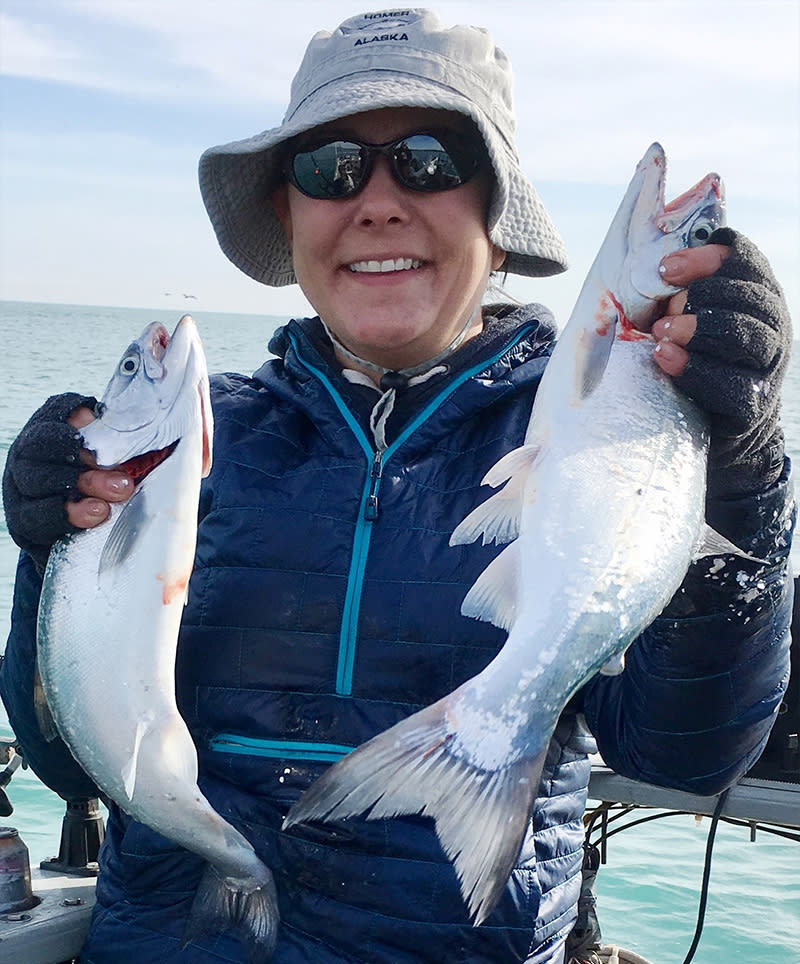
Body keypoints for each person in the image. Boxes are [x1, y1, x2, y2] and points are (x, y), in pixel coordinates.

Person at [0, 9, 794, 964]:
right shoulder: (186, 445)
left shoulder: (601, 445)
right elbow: (65, 756)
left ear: (499, 222)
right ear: (288, 218)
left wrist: (736, 465)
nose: (376, 202)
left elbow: (686, 754)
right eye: (330, 167)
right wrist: (57, 552)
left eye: (429, 158)